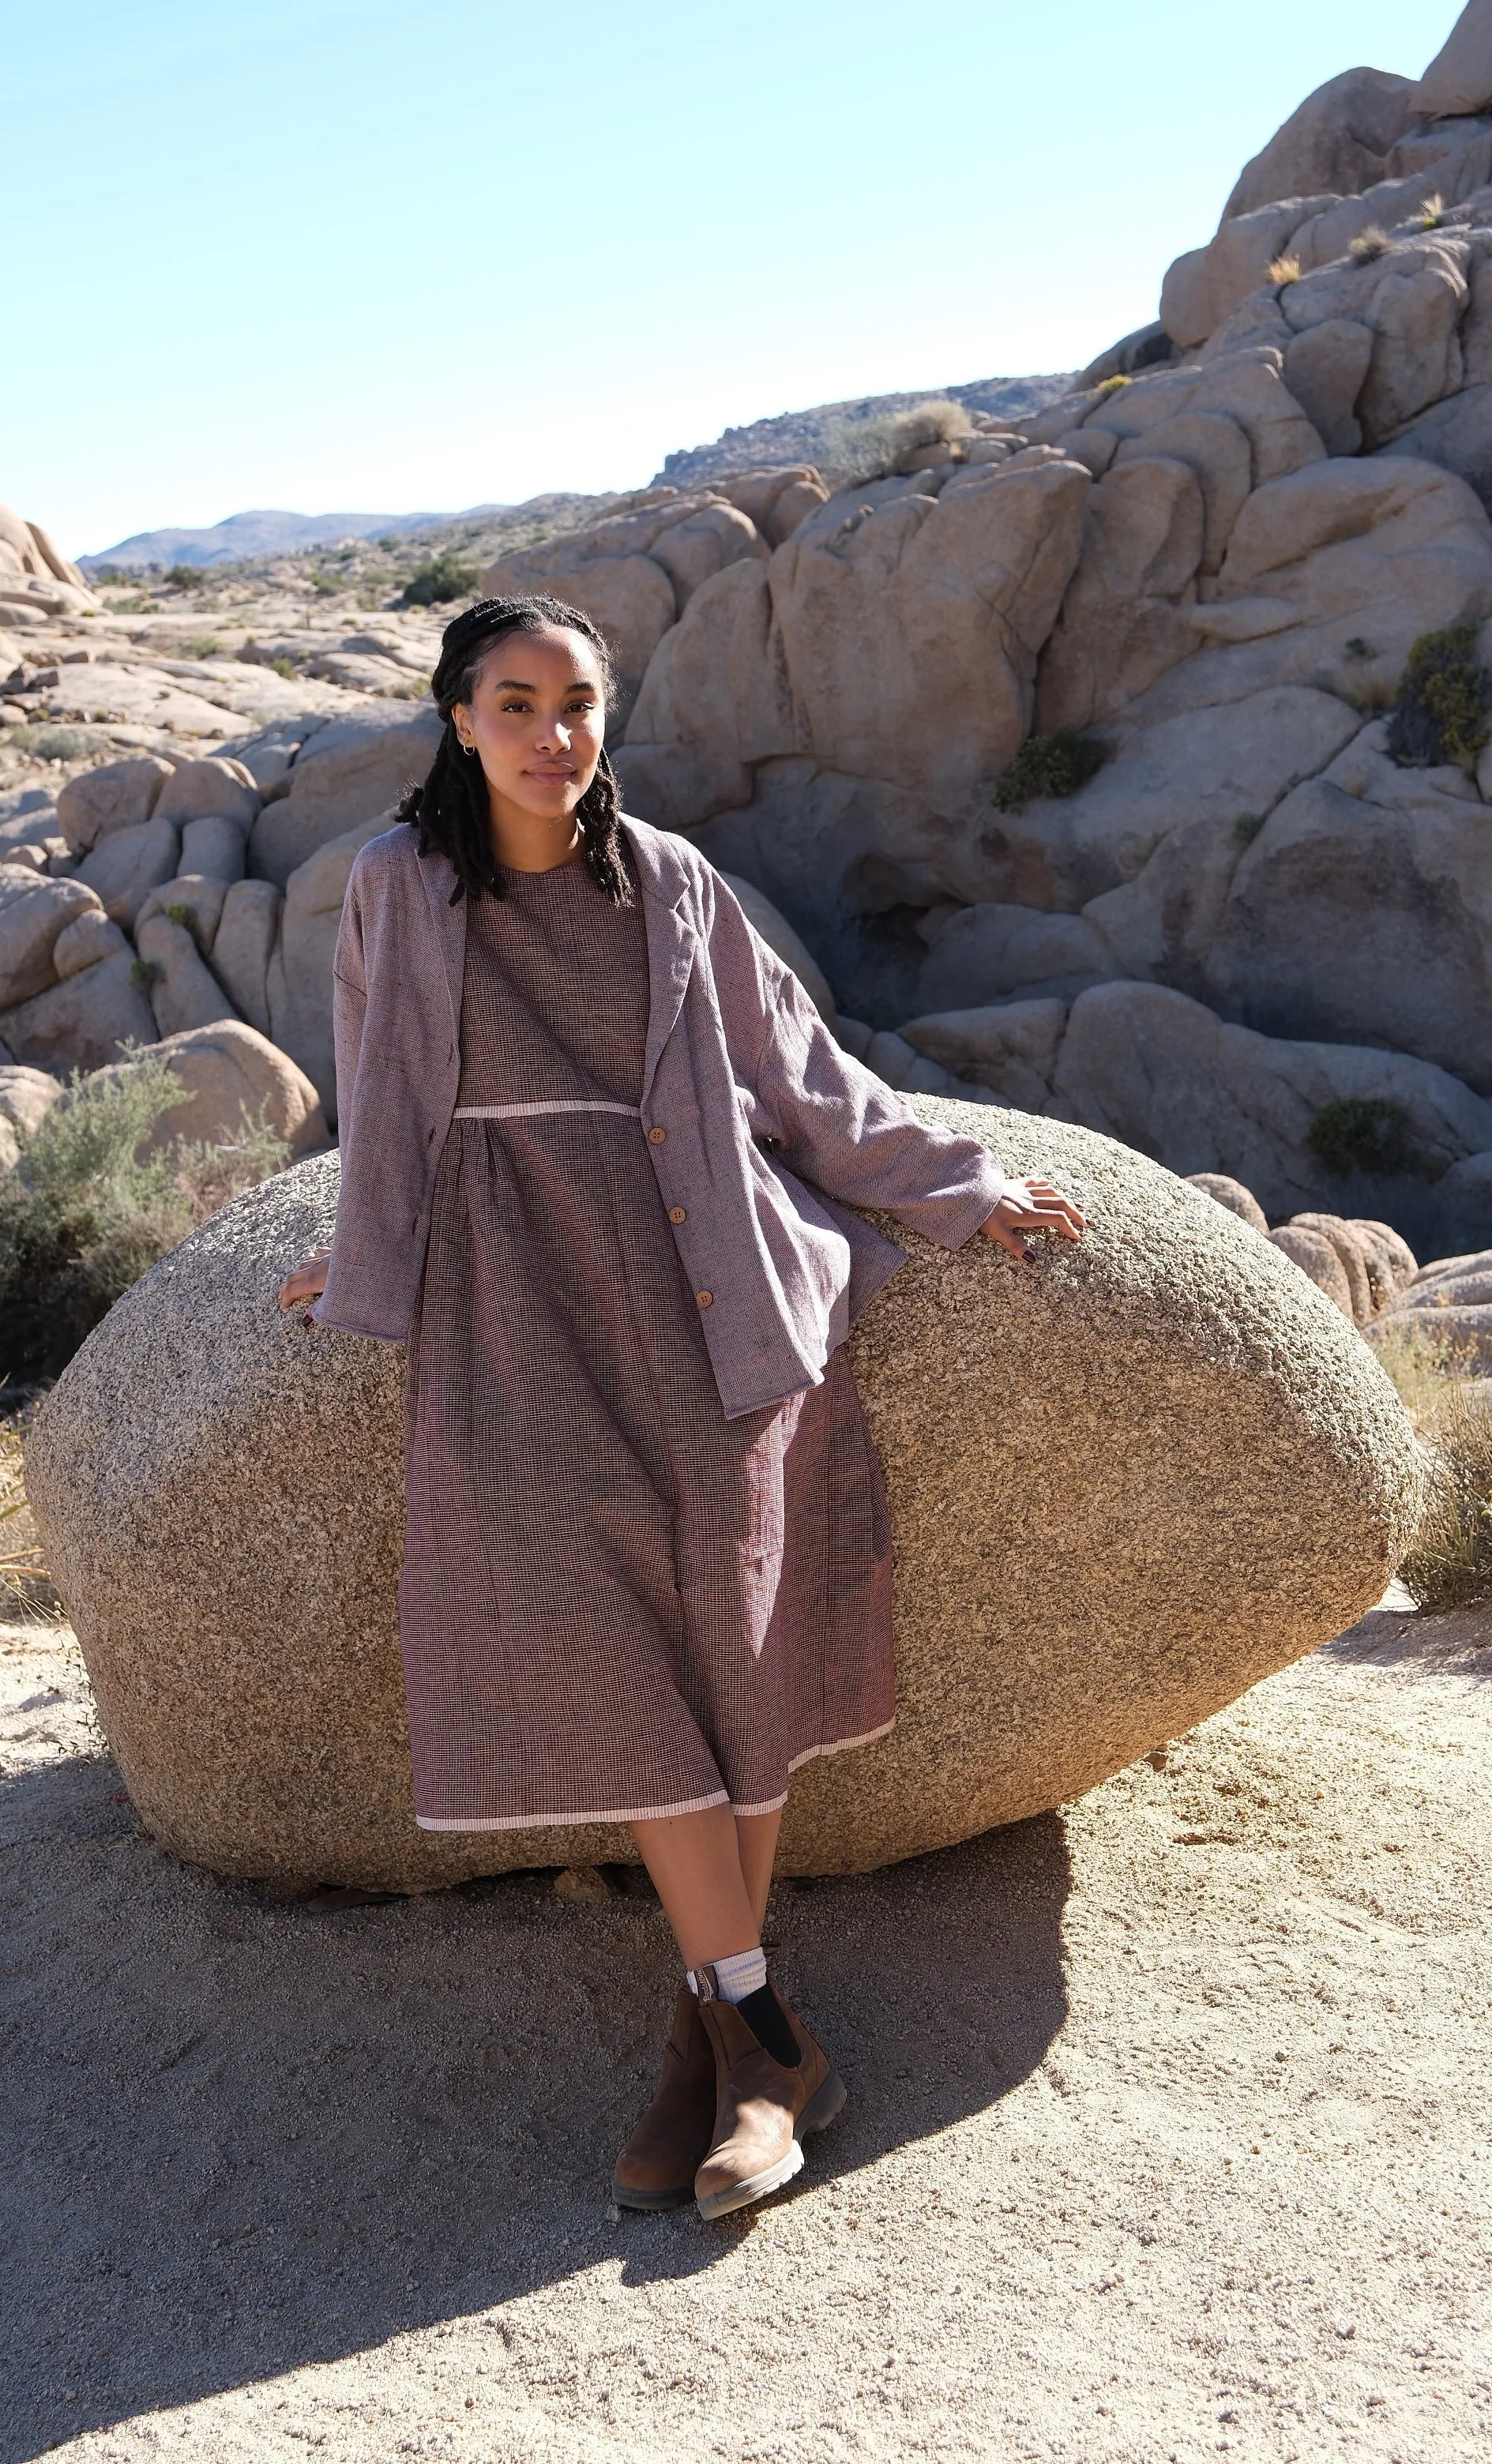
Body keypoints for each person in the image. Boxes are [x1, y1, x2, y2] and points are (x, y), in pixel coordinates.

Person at [280, 592, 1084, 2222]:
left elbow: (798, 1071)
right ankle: (757, 2032)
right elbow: (376, 1083)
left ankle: (718, 2030)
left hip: (697, 1281)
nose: (551, 733)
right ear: (457, 719)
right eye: (515, 703)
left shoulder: (669, 881)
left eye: (577, 704)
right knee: (604, 1641)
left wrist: (961, 1184)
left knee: (730, 1641)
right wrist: (359, 1252)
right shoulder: (397, 882)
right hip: (515, 1300)